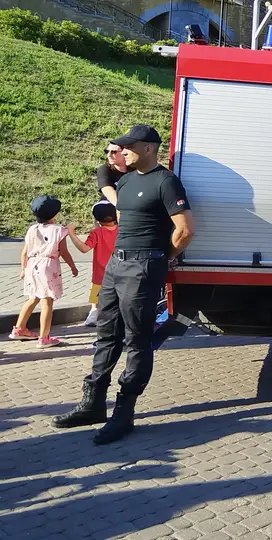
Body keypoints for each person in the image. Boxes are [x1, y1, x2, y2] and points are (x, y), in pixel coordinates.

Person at [53, 125, 196, 444]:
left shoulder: (166, 181)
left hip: (143, 266)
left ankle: (124, 412)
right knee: (106, 334)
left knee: (137, 340)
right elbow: (103, 168)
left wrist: (160, 255)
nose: (122, 151)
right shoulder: (127, 179)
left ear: (149, 148)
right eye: (120, 147)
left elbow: (185, 230)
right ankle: (93, 404)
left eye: (129, 146)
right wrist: (115, 160)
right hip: (116, 265)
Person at [9, 195, 78, 348]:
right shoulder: (59, 230)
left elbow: (24, 252)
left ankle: (19, 329)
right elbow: (64, 252)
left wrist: (23, 269)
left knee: (33, 297)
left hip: (32, 265)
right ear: (54, 214)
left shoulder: (32, 229)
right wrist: (72, 267)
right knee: (47, 301)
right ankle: (44, 337)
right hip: (48, 266)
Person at [66, 201, 119, 327]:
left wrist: (72, 234)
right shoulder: (122, 230)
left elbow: (84, 248)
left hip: (100, 274)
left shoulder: (97, 233)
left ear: (96, 219)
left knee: (96, 296)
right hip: (119, 271)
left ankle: (94, 314)